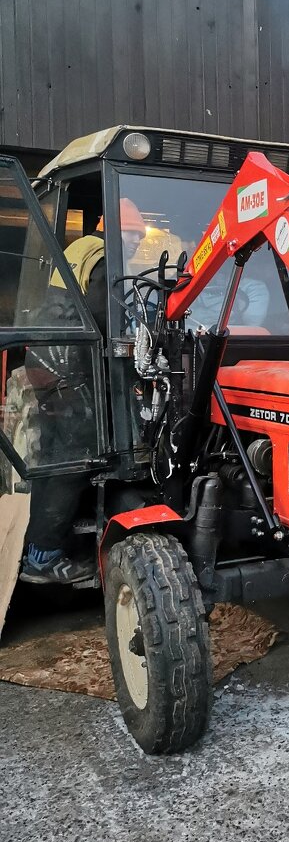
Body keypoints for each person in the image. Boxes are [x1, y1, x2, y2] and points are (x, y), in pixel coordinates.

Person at [19, 199, 147, 584]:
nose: (135, 243)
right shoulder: (105, 259)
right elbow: (106, 318)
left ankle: (40, 546)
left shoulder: (80, 248)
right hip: (67, 367)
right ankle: (43, 557)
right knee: (76, 458)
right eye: (132, 235)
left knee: (57, 456)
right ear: (114, 230)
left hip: (51, 359)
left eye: (138, 237)